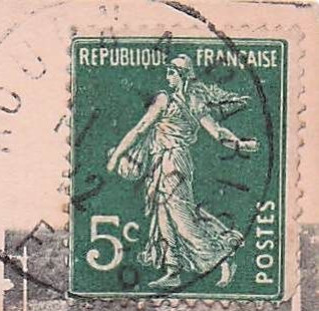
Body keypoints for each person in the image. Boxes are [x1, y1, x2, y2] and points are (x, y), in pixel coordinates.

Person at [105, 55, 257, 289]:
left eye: (172, 72)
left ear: (183, 75)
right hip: (160, 163)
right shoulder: (176, 100)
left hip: (174, 163)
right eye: (167, 72)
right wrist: (238, 143)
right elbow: (143, 128)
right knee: (163, 217)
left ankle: (223, 258)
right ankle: (173, 269)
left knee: (182, 220)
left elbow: (214, 132)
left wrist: (239, 144)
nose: (168, 77)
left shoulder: (177, 101)